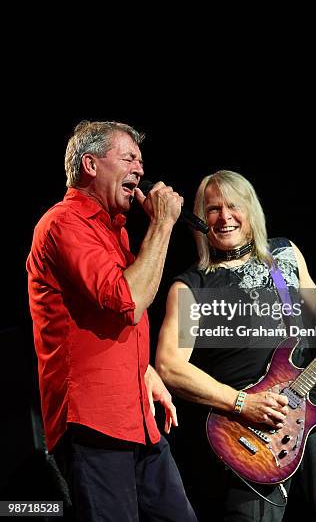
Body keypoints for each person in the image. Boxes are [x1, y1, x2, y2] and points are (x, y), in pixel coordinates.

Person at [155, 169, 316, 522]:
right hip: (246, 432)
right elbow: (169, 366)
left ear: (250, 209)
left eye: (233, 206)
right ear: (200, 219)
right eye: (212, 209)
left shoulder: (284, 255)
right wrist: (243, 403)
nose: (224, 217)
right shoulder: (191, 286)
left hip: (311, 413)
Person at [27, 121, 197, 522]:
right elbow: (131, 301)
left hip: (135, 417)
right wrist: (162, 224)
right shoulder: (64, 223)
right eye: (128, 158)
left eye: (141, 160)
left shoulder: (114, 230)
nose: (140, 169)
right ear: (90, 164)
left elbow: (110, 322)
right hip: (94, 422)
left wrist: (144, 372)